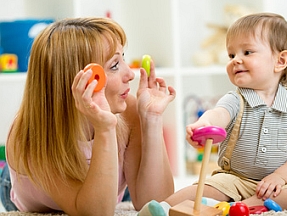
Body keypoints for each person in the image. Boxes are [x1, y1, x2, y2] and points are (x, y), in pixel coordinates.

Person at [138, 12, 287, 215]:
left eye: (247, 52)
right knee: (201, 190)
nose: (236, 60)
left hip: (272, 184)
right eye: (232, 55)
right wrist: (203, 124)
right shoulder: (235, 100)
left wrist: (280, 177)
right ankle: (163, 208)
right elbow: (218, 114)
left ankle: (238, 208)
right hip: (232, 180)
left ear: (281, 60)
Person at [0, 17, 176, 215]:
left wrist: (151, 119)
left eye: (123, 57)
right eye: (115, 65)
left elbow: (156, 201)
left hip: (110, 186)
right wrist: (104, 128)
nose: (130, 74)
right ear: (79, 79)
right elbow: (94, 213)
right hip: (28, 191)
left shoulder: (128, 110)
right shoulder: (31, 134)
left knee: (115, 192)